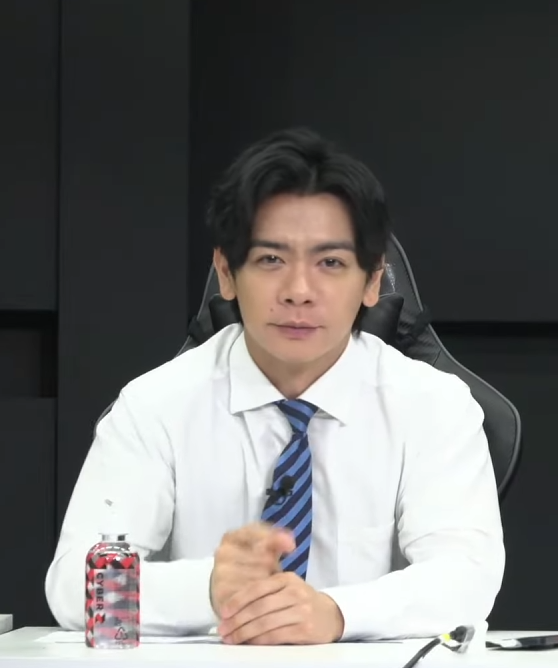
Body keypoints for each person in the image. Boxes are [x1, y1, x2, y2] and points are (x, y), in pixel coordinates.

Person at [45, 128, 505, 645]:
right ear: (226, 272)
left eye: (330, 263)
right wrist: (207, 588)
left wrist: (337, 613)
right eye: (270, 260)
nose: (299, 291)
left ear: (373, 280)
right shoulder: (154, 405)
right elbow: (72, 587)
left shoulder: (434, 405)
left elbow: (467, 577)